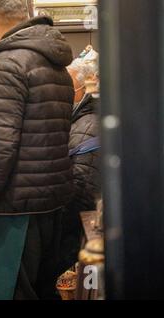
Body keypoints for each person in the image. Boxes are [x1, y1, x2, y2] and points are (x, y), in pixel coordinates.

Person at [0, 0, 74, 300]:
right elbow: (36, 128)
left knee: (0, 293)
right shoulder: (53, 62)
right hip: (50, 205)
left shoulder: (6, 63)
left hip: (12, 211)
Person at [58, 57, 101, 274]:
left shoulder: (89, 124)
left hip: (80, 234)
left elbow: (82, 188)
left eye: (67, 86)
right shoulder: (78, 122)